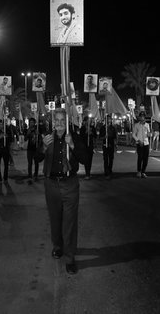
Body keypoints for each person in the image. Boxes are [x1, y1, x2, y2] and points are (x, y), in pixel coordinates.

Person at [36, 108, 87, 275]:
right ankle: (58, 246)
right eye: (56, 120)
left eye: (62, 120)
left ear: (67, 121)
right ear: (52, 121)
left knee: (70, 222)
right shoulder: (47, 137)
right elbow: (36, 158)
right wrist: (43, 147)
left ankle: (70, 258)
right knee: (55, 219)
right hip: (51, 184)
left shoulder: (75, 136)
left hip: (70, 185)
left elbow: (86, 158)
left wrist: (72, 145)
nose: (58, 123)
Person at [132, 112, 151, 178]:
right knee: (140, 158)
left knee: (146, 159)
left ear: (144, 117)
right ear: (139, 117)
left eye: (143, 116)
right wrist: (138, 140)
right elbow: (133, 134)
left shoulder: (147, 125)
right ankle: (139, 171)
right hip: (139, 144)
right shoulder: (136, 125)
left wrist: (150, 134)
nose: (142, 117)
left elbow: (149, 134)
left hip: (146, 143)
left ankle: (143, 172)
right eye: (141, 116)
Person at [25, 117, 42, 184]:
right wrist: (28, 133)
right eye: (30, 122)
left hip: (36, 149)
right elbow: (25, 139)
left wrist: (38, 135)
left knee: (36, 163)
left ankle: (36, 175)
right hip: (29, 149)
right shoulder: (28, 130)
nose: (31, 123)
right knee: (30, 163)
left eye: (32, 122)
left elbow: (40, 139)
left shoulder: (37, 130)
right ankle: (30, 176)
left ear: (34, 123)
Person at [79, 116, 96, 180]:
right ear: (85, 121)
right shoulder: (83, 128)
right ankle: (87, 173)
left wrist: (91, 133)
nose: (89, 121)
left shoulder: (92, 127)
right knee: (86, 160)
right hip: (85, 146)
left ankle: (89, 173)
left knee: (90, 160)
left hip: (90, 146)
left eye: (90, 120)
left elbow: (95, 136)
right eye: (88, 120)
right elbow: (81, 137)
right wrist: (86, 132)